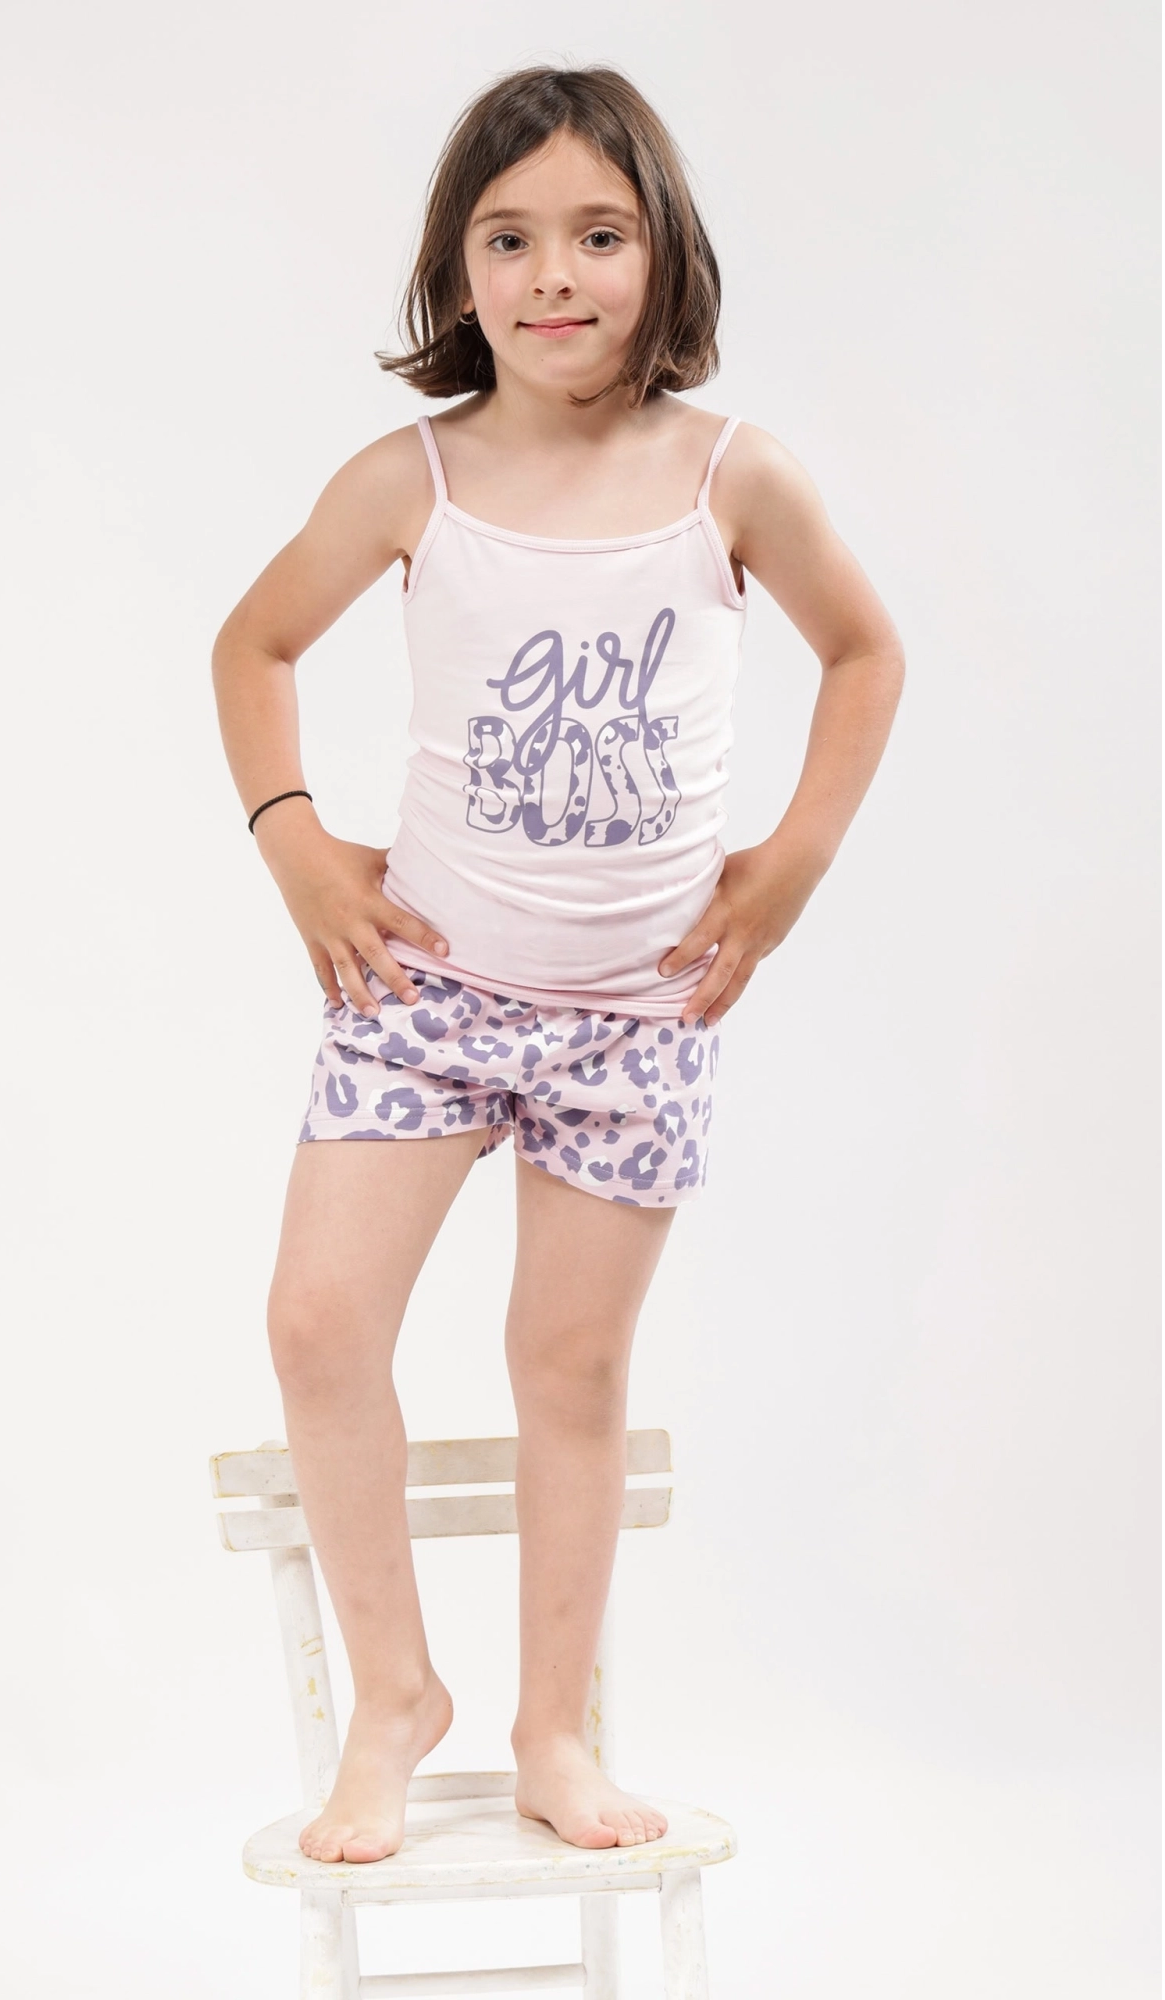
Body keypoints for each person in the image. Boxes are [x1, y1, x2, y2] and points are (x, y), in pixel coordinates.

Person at [210, 63, 904, 1867]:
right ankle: (395, 1698)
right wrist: (296, 843)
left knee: (568, 1367)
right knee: (317, 1321)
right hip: (428, 997)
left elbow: (866, 654)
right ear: (458, 270)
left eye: (599, 235)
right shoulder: (413, 478)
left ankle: (549, 1730)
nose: (554, 277)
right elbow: (253, 643)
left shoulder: (732, 476)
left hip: (635, 1015)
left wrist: (792, 865)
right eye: (509, 239)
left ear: (664, 252)